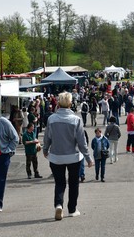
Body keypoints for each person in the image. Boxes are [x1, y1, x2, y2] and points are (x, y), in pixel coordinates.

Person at [43, 92, 93, 221]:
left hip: (56, 156)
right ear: (71, 104)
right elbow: (82, 141)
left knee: (59, 183)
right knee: (73, 183)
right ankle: (72, 209)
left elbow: (47, 136)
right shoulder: (76, 120)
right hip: (73, 156)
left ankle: (58, 204)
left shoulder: (51, 119)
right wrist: (88, 157)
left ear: (58, 104)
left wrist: (45, 149)